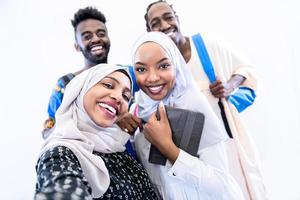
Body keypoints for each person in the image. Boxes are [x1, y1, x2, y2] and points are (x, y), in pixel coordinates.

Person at [144, 1, 267, 199]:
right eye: (156, 23)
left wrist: (229, 86)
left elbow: (246, 70)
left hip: (227, 146)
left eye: (168, 17)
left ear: (177, 18)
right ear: (150, 31)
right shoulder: (156, 64)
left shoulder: (206, 45)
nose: (165, 25)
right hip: (190, 156)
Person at [131, 31, 245, 199]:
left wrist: (167, 148)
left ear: (176, 66)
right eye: (141, 69)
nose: (153, 78)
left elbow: (220, 185)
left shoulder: (193, 106)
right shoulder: (140, 112)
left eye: (163, 66)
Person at [35, 64, 158, 200]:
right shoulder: (60, 153)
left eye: (126, 96)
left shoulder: (117, 146)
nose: (118, 97)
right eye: (108, 85)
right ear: (81, 89)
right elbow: (62, 187)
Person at [42, 6, 140, 157]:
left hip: (128, 163)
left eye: (101, 33)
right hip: (85, 163)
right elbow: (48, 134)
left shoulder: (128, 75)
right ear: (77, 46)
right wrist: (112, 116)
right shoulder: (65, 85)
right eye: (87, 36)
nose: (95, 39)